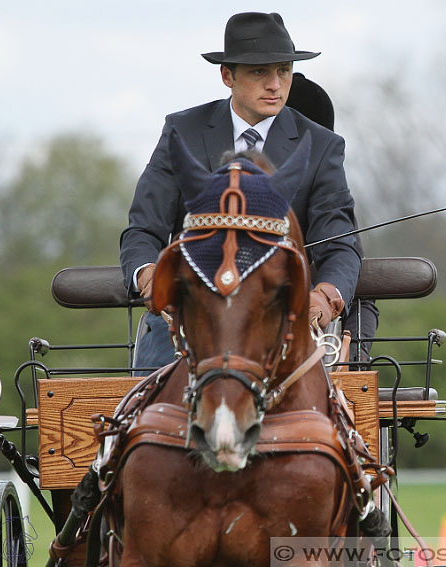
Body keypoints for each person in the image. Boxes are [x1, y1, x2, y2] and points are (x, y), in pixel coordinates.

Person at [120, 12, 363, 370]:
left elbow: (340, 243)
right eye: (259, 72)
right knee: (145, 417)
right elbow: (143, 229)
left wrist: (325, 296)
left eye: (283, 71)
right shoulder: (181, 132)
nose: (275, 85)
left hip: (284, 324)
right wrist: (149, 275)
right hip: (186, 320)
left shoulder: (321, 145)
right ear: (227, 76)